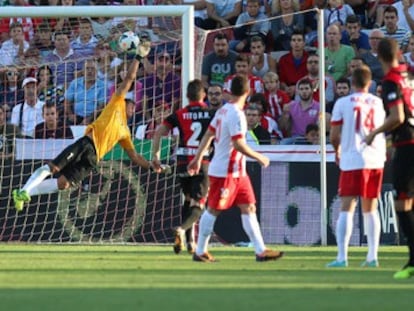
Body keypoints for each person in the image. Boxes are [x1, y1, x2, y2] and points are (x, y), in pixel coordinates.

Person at [12, 37, 168, 212]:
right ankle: (24, 191)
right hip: (86, 144)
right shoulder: (115, 103)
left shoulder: (125, 132)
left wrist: (152, 167)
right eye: (129, 103)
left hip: (93, 159)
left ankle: (24, 192)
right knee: (54, 167)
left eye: (133, 105)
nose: (131, 106)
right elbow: (130, 78)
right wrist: (138, 57)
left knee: (63, 184)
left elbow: (135, 157)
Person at [187, 75, 284, 262]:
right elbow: (238, 144)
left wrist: (198, 158)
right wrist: (259, 157)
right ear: (248, 92)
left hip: (239, 172)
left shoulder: (223, 111)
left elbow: (208, 133)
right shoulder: (236, 114)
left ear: (229, 90)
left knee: (249, 207)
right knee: (214, 209)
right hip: (226, 171)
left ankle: (260, 250)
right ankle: (200, 251)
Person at [327, 65, 386, 268]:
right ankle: (372, 257)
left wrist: (338, 150)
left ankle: (342, 257)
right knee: (371, 208)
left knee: (347, 207)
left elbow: (334, 135)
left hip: (352, 158)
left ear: (352, 82)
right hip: (375, 158)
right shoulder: (378, 103)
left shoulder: (343, 103)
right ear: (370, 83)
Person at [365, 38, 414, 279]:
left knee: (402, 203)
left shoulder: (391, 80)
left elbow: (397, 116)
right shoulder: (409, 75)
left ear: (378, 55)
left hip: (407, 144)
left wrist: (375, 132)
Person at [152, 79, 213, 255]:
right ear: (204, 95)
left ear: (187, 96)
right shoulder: (211, 113)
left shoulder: (179, 114)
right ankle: (181, 229)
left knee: (187, 199)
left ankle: (190, 241)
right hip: (202, 163)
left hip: (182, 163)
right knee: (199, 204)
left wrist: (156, 155)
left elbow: (159, 132)